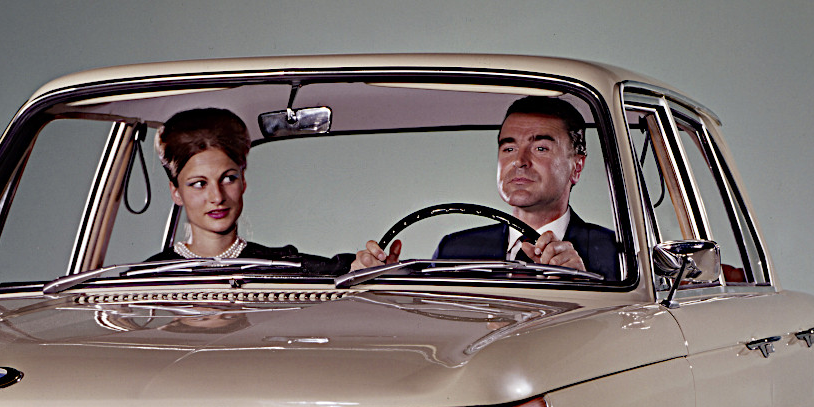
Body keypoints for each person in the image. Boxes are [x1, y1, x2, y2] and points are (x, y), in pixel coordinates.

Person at [353, 96, 618, 278]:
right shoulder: (455, 250)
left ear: (577, 167)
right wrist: (385, 284)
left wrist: (585, 287)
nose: (519, 161)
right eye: (509, 148)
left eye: (540, 148)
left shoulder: (618, 255)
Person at [147, 108, 349, 276]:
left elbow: (344, 271)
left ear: (243, 181)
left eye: (228, 179)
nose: (217, 197)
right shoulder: (146, 277)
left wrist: (360, 266)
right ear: (176, 192)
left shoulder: (282, 264)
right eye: (199, 184)